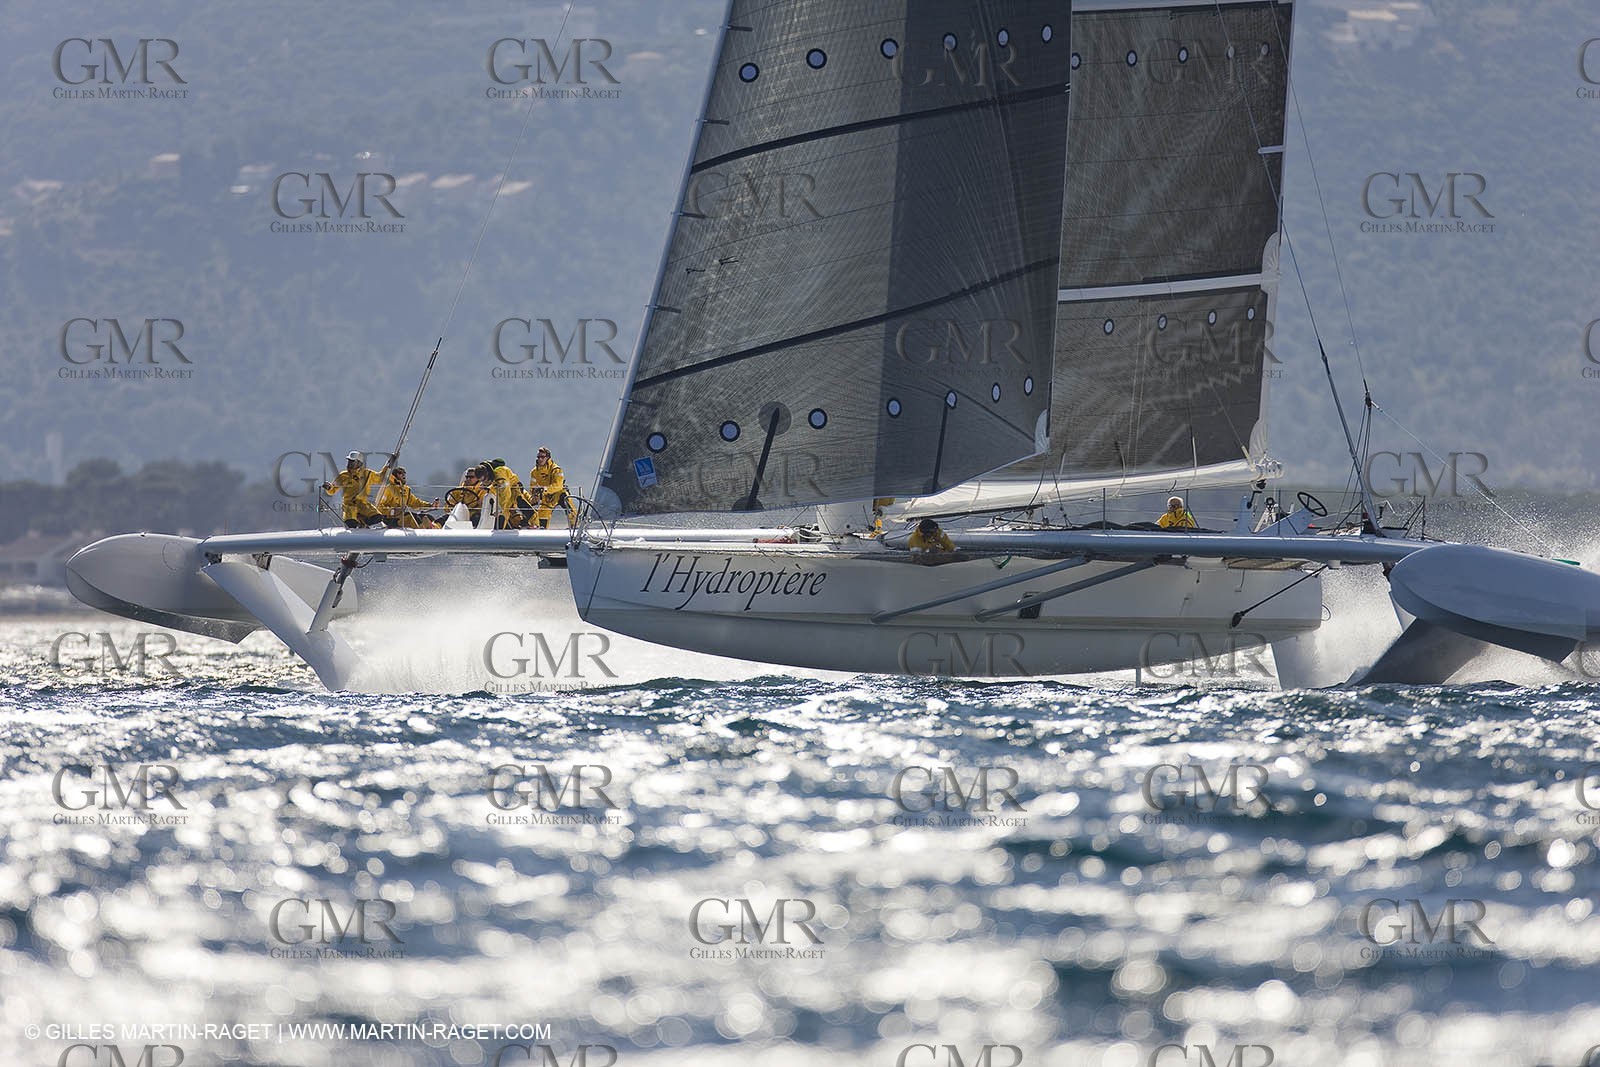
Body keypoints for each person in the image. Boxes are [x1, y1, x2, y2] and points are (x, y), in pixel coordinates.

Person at [323, 451, 389, 528]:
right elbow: (332, 489)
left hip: (363, 503)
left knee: (377, 517)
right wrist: (329, 488)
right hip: (349, 505)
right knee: (351, 523)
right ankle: (357, 524)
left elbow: (380, 478)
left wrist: (388, 465)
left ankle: (362, 522)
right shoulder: (343, 476)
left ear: (359, 464)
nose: (350, 465)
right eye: (349, 462)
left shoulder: (367, 474)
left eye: (353, 462)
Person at [375, 466, 440, 529]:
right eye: (400, 473)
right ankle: (422, 532)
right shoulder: (388, 489)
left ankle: (435, 530)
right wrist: (392, 511)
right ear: (394, 476)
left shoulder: (406, 490)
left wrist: (430, 505)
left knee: (428, 517)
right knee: (412, 518)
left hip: (401, 516)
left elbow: (415, 502)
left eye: (404, 472)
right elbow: (379, 506)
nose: (403, 474)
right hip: (390, 519)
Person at [527, 446, 576, 529]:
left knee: (570, 507)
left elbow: (558, 485)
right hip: (547, 496)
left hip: (559, 493)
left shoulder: (556, 469)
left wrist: (545, 489)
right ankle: (542, 530)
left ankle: (575, 527)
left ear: (548, 458)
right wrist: (534, 494)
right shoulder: (534, 472)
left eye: (542, 457)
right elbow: (533, 486)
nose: (540, 459)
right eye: (538, 457)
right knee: (542, 513)